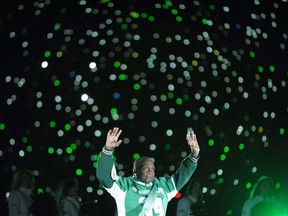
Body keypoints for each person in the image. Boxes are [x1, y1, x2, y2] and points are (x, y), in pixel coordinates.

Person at [96, 127, 200, 216]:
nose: (150, 171)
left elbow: (183, 175)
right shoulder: (124, 186)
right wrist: (107, 150)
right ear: (135, 170)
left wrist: (194, 154)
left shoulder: (163, 186)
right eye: (145, 168)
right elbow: (104, 176)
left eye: (152, 168)